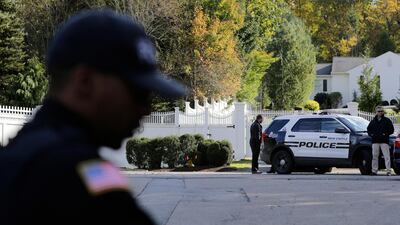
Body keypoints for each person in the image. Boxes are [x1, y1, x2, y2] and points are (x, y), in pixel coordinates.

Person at [0, 10, 186, 224]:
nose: (146, 109)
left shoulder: (12, 157)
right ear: (85, 81)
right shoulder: (85, 173)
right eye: (138, 93)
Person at [367, 106, 394, 176]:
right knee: (374, 156)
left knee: (386, 156)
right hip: (375, 141)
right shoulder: (373, 121)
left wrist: (385, 134)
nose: (380, 112)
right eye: (379, 111)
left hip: (384, 141)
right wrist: (372, 135)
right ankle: (374, 171)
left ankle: (388, 171)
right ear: (376, 112)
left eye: (382, 111)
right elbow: (369, 129)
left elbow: (392, 130)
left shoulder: (387, 120)